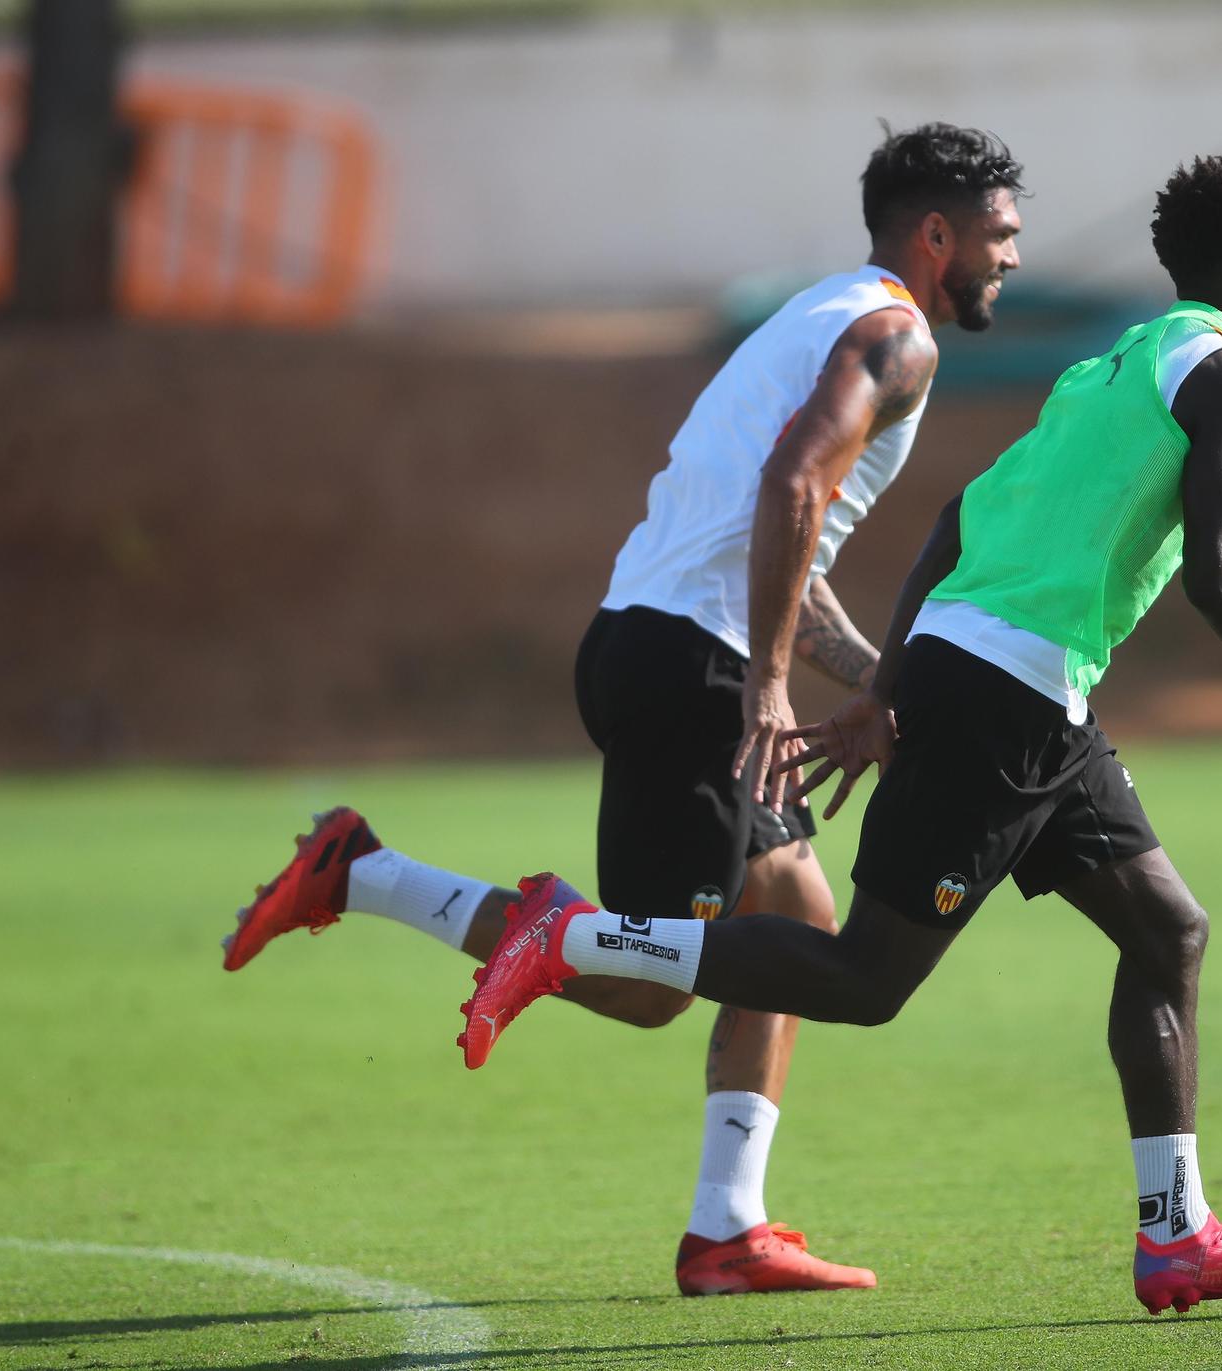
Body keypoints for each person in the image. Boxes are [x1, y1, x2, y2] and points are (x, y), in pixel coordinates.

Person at [458, 152, 1222, 1313]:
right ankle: (575, 939)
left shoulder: (1113, 362)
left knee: (1167, 930)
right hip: (1005, 696)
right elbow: (1221, 575)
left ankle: (1175, 1237)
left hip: (1023, 691)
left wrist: (885, 690)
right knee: (862, 979)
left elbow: (961, 518)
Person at [219, 121, 1026, 1297]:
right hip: (692, 673)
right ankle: (370, 875)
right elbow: (792, 485)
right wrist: (762, 682)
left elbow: (780, 537)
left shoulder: (821, 314)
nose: (1009, 257)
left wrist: (876, 683)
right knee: (651, 985)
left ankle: (726, 1230)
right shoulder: (895, 337)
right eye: (998, 236)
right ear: (936, 233)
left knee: (795, 936)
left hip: (658, 651)